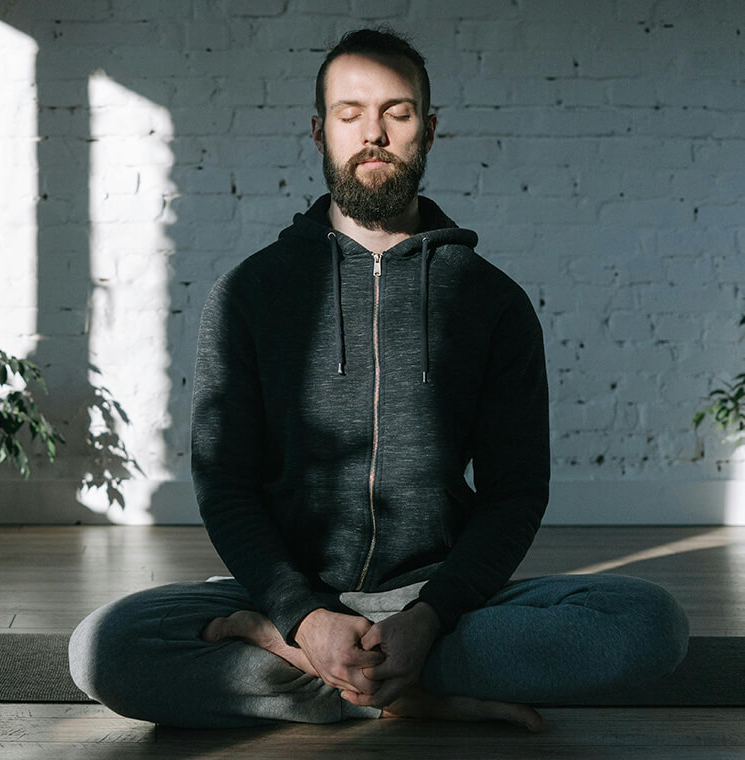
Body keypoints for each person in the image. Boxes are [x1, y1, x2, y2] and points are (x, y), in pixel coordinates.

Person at [69, 27, 689, 732]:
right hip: (289, 594)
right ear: (319, 131)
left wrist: (430, 617)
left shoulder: (492, 301)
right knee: (103, 648)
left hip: (439, 601)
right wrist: (301, 616)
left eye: (396, 112)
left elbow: (515, 494)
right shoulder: (250, 293)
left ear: (428, 129)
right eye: (350, 112)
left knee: (648, 626)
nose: (374, 133)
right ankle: (395, 687)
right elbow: (225, 485)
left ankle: (339, 677)